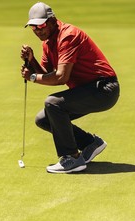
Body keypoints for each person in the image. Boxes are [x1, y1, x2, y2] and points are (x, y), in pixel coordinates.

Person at [20, 2, 120, 174]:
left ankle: (72, 158)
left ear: (52, 20)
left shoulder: (68, 35)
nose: (38, 30)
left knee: (53, 103)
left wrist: (33, 77)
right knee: (43, 119)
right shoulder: (48, 42)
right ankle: (90, 143)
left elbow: (60, 77)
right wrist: (33, 60)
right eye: (33, 27)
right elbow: (48, 73)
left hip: (104, 89)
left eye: (41, 25)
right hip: (87, 90)